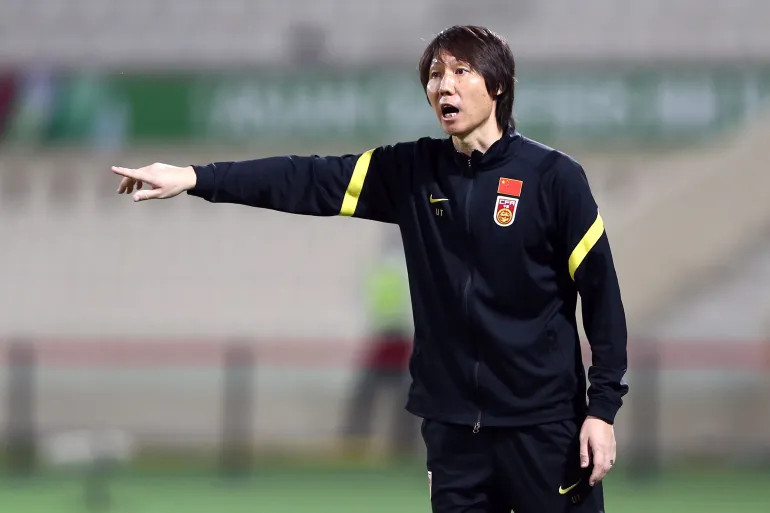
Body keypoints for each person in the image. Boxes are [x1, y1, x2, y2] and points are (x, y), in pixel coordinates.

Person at [113, 25, 628, 513]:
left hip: (544, 427)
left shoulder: (554, 178)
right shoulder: (408, 171)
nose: (442, 85)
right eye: (433, 74)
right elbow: (304, 179)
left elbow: (603, 300)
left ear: (497, 85)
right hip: (453, 432)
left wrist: (601, 411)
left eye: (459, 71)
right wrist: (195, 176)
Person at [343, 229, 417, 459]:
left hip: (390, 338)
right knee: (404, 397)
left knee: (368, 394)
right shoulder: (406, 269)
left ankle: (356, 442)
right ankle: (400, 445)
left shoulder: (380, 271)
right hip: (397, 338)